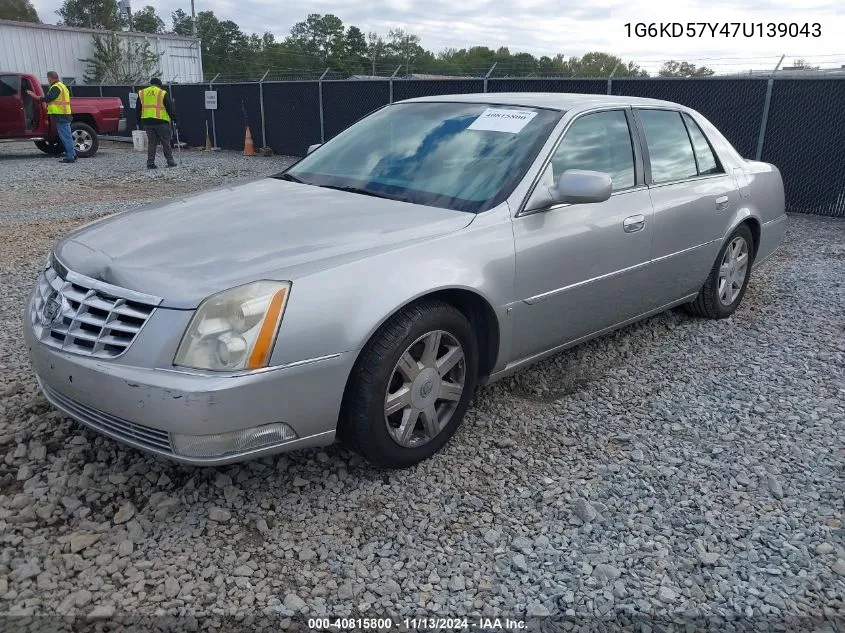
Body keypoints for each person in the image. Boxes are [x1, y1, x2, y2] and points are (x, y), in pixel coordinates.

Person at [27, 71, 75, 163]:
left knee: (65, 137)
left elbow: (48, 98)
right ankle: (73, 154)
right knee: (67, 136)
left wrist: (35, 96)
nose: (48, 80)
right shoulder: (62, 86)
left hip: (61, 115)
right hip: (64, 114)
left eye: (48, 78)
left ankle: (70, 157)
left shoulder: (56, 87)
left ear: (50, 77)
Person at [136, 77, 178, 169]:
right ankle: (170, 161)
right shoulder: (162, 93)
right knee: (165, 142)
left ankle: (150, 163)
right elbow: (169, 107)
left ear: (151, 84)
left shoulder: (142, 93)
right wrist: (175, 119)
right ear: (160, 85)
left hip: (147, 121)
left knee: (152, 143)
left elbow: (138, 108)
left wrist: (138, 121)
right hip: (161, 121)